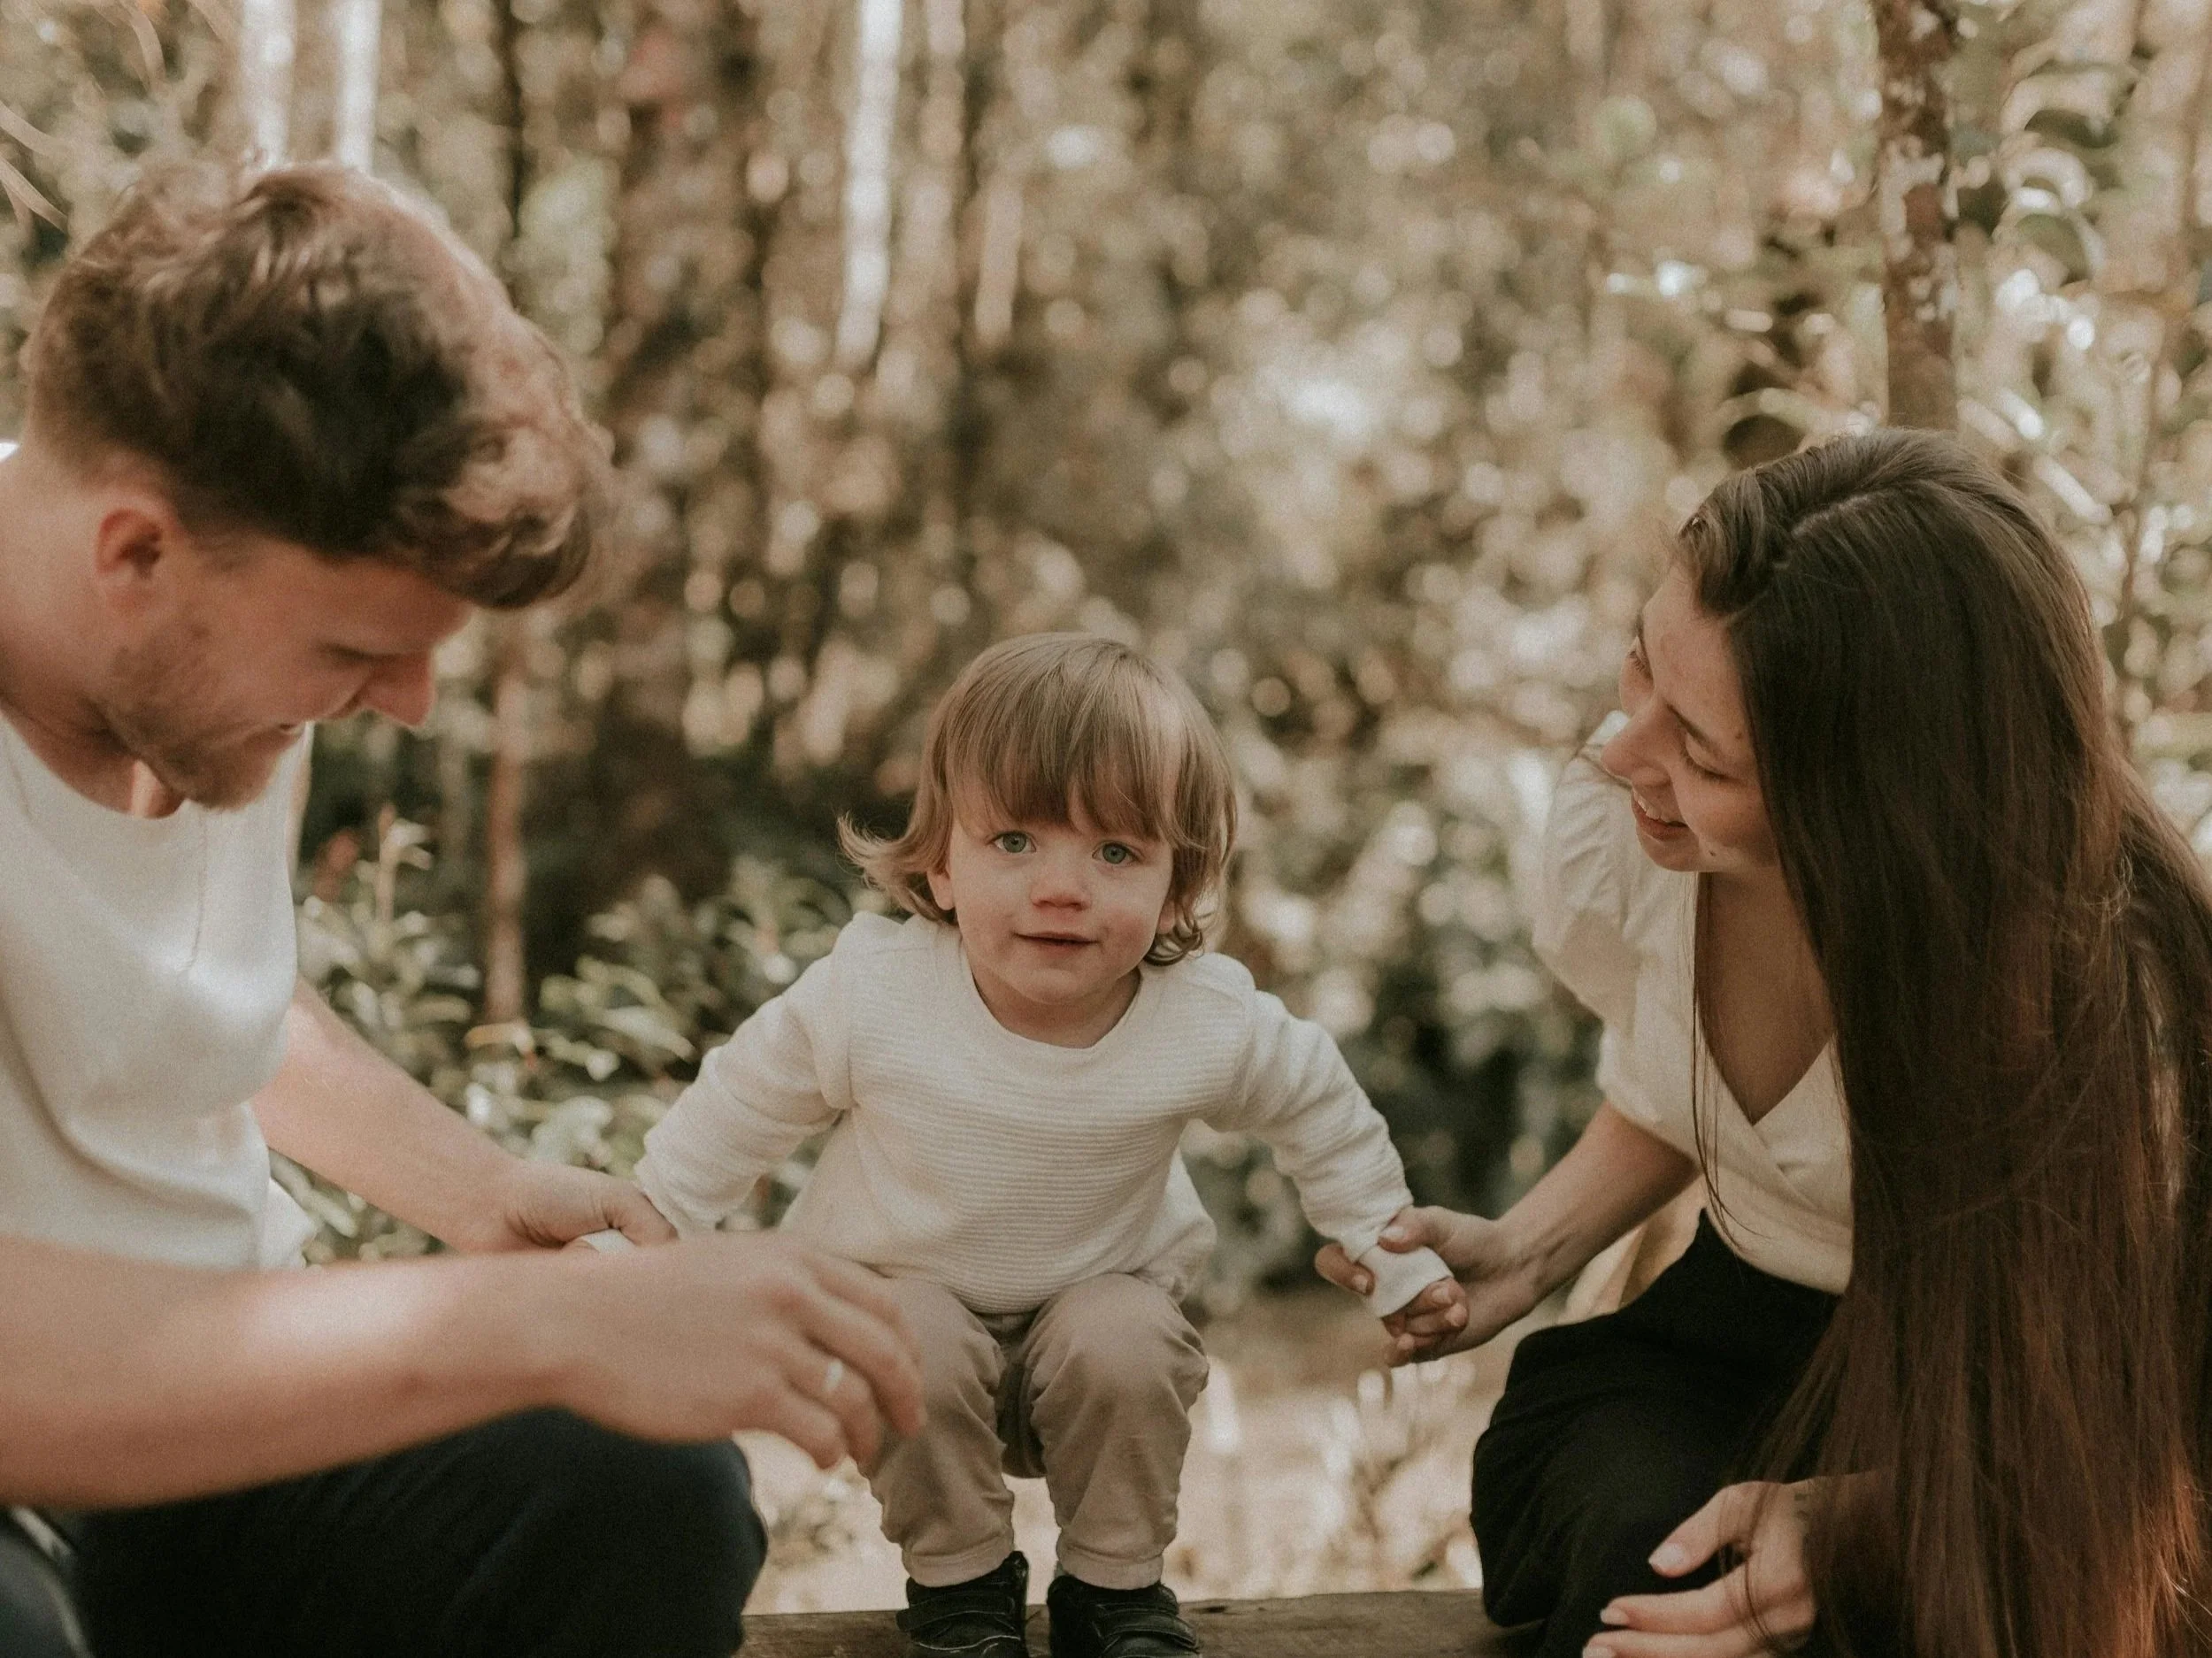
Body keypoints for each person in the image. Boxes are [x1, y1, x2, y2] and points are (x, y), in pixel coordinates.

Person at [0, 160, 923, 1658]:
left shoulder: (202, 691)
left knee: (647, 1488)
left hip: (220, 1433)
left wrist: (477, 1190)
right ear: (135, 552)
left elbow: (182, 987)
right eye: (360, 646)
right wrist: (532, 1325)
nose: (411, 706)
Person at [1323, 429, 2212, 1658]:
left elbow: (2137, 1410)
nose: (1620, 752)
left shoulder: (2117, 990)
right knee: (1658, 1571)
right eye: (1641, 670)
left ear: (1880, 801)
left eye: (1702, 752)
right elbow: (1680, 1090)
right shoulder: (1641, 837)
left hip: (2022, 1413)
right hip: (1722, 1345)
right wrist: (1527, 1252)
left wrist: (1868, 1523)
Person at [630, 633, 1464, 1658]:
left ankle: (1113, 1593)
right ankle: (962, 1591)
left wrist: (1388, 1248)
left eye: (1115, 852)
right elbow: (738, 1107)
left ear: (1175, 886)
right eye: (1014, 841)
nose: (1061, 886)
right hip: (908, 1333)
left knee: (1126, 1333)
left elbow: (1317, 1107)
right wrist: (642, 1236)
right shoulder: (876, 994)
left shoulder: (1198, 1018)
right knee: (908, 1333)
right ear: (940, 861)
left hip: (1093, 1331)